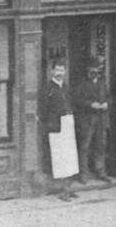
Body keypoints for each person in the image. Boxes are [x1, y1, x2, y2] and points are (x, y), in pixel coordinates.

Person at [41, 59, 78, 201]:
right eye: (57, 70)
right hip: (56, 126)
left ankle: (69, 188)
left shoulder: (66, 87)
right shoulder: (48, 89)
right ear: (52, 71)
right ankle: (62, 190)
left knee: (70, 157)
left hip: (68, 124)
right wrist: (51, 123)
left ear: (65, 72)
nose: (59, 73)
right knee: (60, 159)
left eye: (62, 70)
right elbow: (44, 111)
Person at [75, 57, 111, 183]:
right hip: (87, 120)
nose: (95, 71)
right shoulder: (82, 84)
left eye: (97, 68)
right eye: (92, 68)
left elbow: (108, 97)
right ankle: (84, 174)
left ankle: (101, 171)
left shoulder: (102, 83)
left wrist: (106, 103)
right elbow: (77, 101)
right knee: (85, 147)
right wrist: (90, 104)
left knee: (101, 146)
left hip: (101, 119)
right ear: (88, 70)